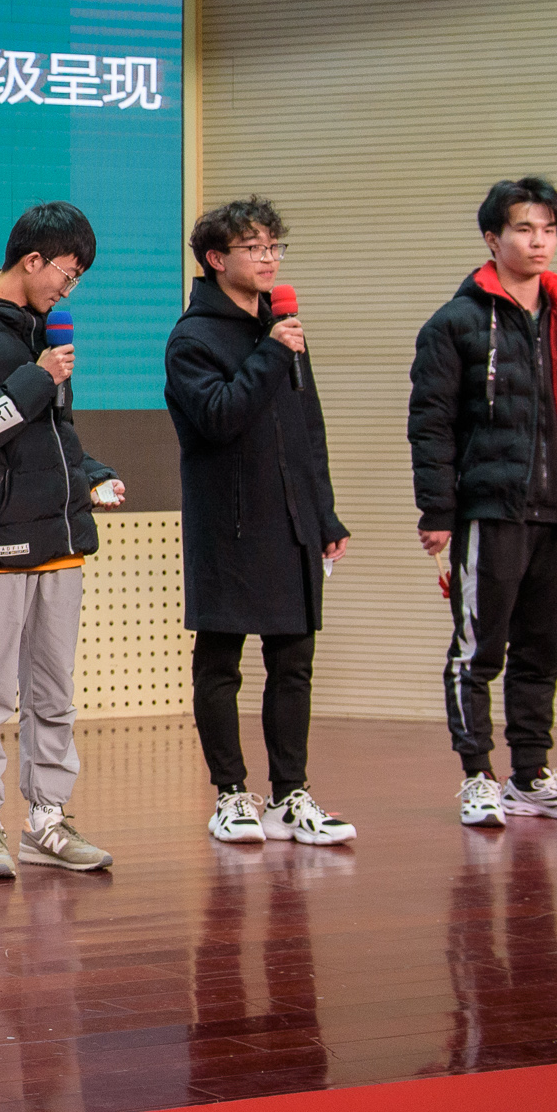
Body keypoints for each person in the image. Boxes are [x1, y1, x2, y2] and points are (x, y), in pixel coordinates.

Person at [408, 176, 557, 828]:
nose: (539, 241)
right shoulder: (454, 323)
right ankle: (478, 776)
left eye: (548, 229)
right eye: (524, 229)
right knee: (477, 652)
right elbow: (431, 424)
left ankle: (531, 776)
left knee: (541, 651)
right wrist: (438, 511)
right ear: (492, 239)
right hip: (488, 512)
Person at [0, 202, 125, 880]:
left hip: (59, 537)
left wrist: (92, 475)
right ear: (32, 260)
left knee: (53, 693)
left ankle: (48, 818)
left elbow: (53, 435)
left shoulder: (44, 336)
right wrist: (38, 376)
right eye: (66, 275)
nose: (68, 291)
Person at [165, 197, 356, 849]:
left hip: (292, 519)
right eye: (255, 248)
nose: (270, 259)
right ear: (217, 259)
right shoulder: (192, 338)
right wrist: (272, 352)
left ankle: (290, 795)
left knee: (293, 662)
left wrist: (324, 511)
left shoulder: (282, 325)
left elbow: (308, 428)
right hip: (230, 524)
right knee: (221, 661)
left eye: (275, 247)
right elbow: (219, 417)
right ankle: (230, 795)